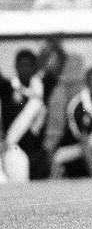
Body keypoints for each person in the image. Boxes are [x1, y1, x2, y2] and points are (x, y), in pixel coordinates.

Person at [0, 50, 52, 181]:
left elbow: (56, 67)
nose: (25, 69)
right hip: (12, 147)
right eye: (21, 65)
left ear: (35, 67)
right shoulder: (6, 87)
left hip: (37, 151)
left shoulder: (43, 86)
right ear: (16, 67)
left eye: (29, 65)